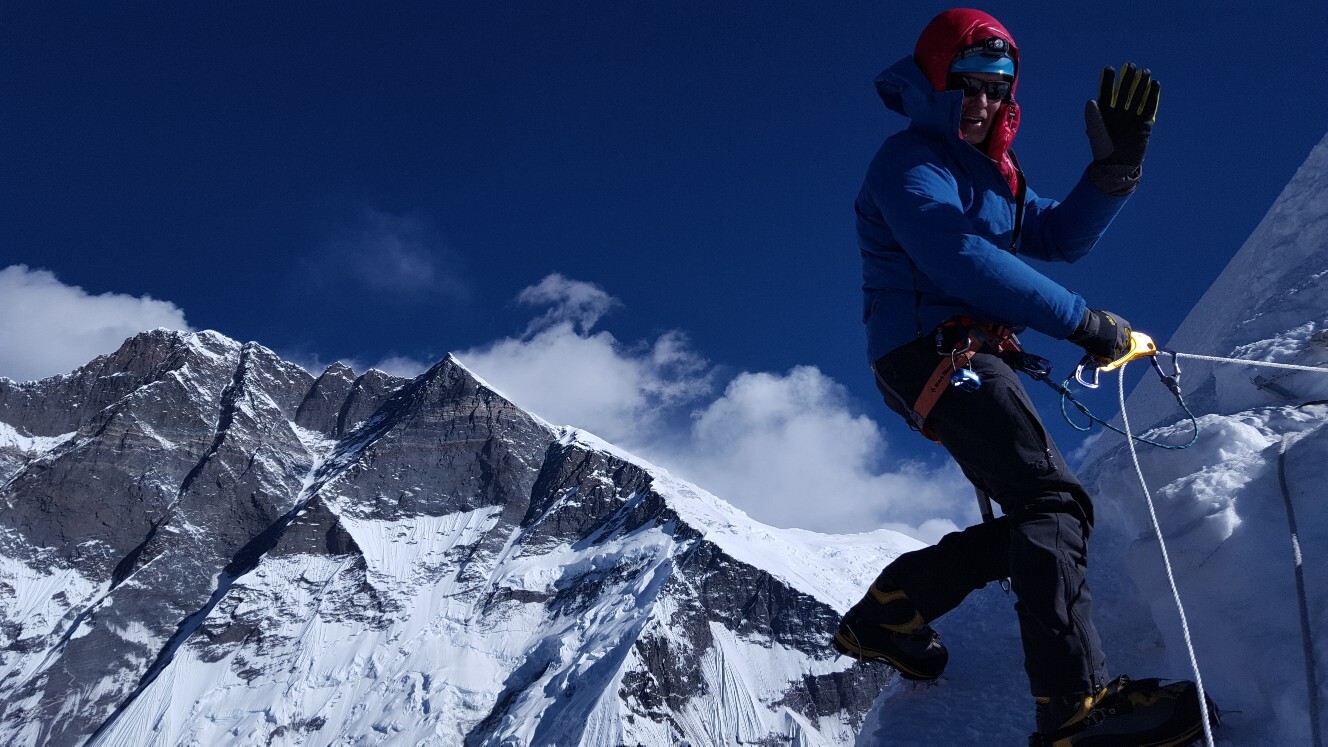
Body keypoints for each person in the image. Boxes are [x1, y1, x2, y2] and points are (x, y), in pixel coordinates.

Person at [832, 8, 1209, 745]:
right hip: (937, 352)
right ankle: (1074, 708)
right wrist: (1084, 322)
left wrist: (1113, 173)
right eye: (965, 85)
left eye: (995, 90)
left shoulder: (991, 179)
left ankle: (892, 611)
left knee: (1034, 517)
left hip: (951, 354)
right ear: (935, 84)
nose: (980, 103)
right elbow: (958, 258)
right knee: (1053, 505)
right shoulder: (909, 163)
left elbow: (1057, 236)